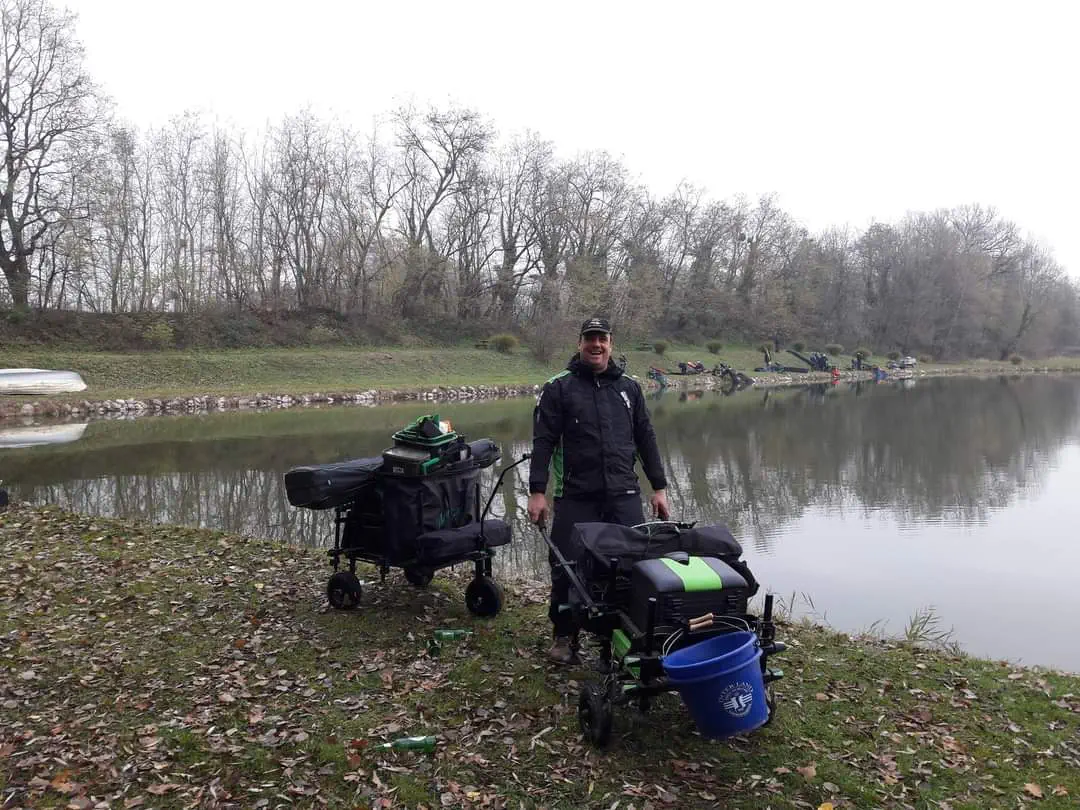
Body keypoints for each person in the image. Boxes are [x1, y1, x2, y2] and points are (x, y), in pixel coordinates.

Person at [527, 316, 670, 664]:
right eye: (590, 338)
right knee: (565, 566)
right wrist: (537, 491)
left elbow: (646, 439)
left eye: (602, 339)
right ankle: (564, 635)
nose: (596, 345)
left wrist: (660, 487)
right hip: (576, 495)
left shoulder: (629, 389)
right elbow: (543, 441)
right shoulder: (559, 387)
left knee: (633, 566)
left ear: (610, 344)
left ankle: (622, 637)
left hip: (624, 494)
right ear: (579, 343)